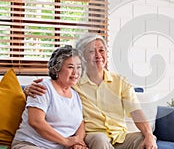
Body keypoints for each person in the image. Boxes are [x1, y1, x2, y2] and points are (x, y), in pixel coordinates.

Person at [24, 34, 157, 149]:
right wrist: (28, 89)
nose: (98, 56)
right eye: (92, 52)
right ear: (83, 57)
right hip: (93, 136)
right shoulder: (75, 82)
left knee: (144, 139)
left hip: (120, 136)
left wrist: (149, 135)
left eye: (101, 50)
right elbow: (56, 82)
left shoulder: (120, 81)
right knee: (100, 139)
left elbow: (136, 111)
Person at [12, 45, 87, 149]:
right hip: (31, 144)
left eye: (78, 67)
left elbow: (80, 123)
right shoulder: (42, 88)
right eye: (70, 67)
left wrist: (78, 142)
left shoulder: (75, 95)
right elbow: (35, 122)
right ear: (57, 68)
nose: (75, 72)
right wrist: (66, 141)